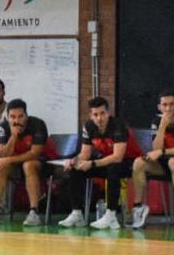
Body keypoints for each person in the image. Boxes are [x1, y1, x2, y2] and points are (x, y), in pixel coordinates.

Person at [58, 96, 142, 229]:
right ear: (91, 115)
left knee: (113, 169)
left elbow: (118, 157)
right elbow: (85, 154)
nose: (99, 118)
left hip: (130, 163)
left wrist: (92, 164)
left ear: (108, 113)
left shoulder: (118, 126)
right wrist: (73, 161)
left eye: (102, 113)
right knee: (76, 169)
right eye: (95, 114)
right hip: (106, 162)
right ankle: (77, 213)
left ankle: (111, 215)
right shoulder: (89, 126)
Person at [129, 90, 174, 233]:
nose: (168, 108)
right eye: (165, 105)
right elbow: (155, 148)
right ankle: (139, 208)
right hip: (167, 162)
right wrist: (162, 127)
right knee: (138, 163)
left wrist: (162, 152)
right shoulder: (156, 121)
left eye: (171, 105)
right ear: (159, 107)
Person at [0, 98, 47, 227]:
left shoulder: (38, 124)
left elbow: (34, 153)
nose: (16, 121)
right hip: (15, 164)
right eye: (12, 117)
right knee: (2, 166)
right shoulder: (3, 127)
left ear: (26, 116)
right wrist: (13, 136)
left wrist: (9, 159)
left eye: (20, 117)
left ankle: (33, 212)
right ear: (7, 117)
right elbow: (2, 153)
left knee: (28, 165)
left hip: (39, 163)